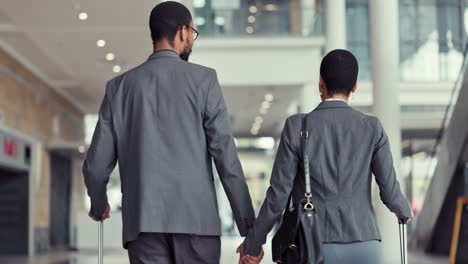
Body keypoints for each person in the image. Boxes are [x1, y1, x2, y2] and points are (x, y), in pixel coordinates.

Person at [82, 2, 263, 263]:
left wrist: (99, 204)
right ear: (182, 32)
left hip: (143, 227)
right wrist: (250, 231)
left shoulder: (119, 88)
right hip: (197, 224)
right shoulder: (205, 81)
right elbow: (227, 160)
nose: (192, 39)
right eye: (192, 32)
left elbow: (96, 168)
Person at [238, 49, 413, 264]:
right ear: (355, 86)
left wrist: (253, 244)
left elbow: (278, 195)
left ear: (321, 83)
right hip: (364, 244)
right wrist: (402, 210)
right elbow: (390, 191)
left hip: (313, 244)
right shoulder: (372, 127)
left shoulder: (297, 126)